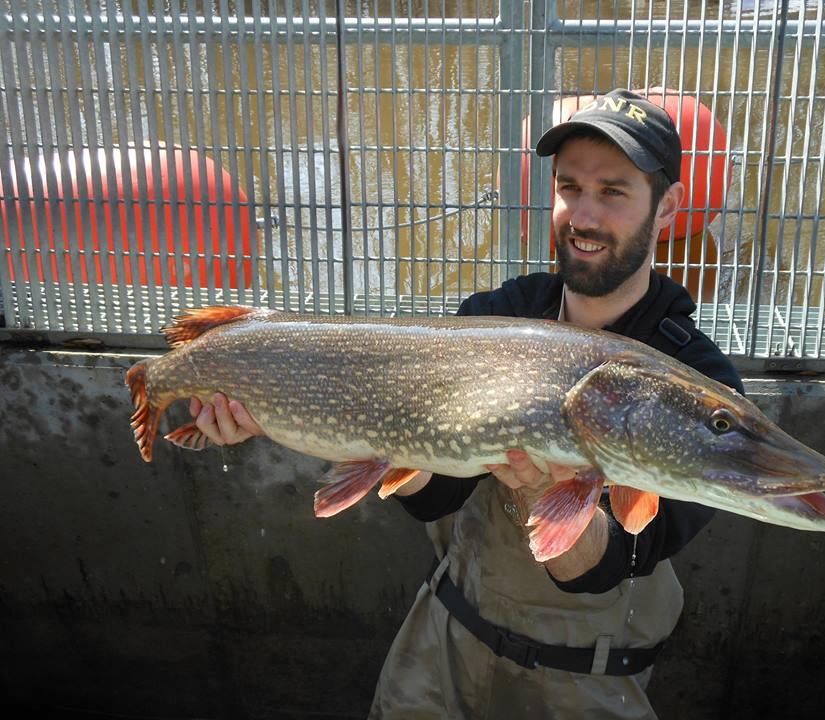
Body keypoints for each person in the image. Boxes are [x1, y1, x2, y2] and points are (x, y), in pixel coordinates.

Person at [191, 88, 743, 719]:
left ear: (666, 206)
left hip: (581, 680)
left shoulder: (697, 383)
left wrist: (546, 496)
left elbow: (621, 560)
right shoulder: (495, 316)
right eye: (569, 188)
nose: (583, 215)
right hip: (443, 648)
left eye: (613, 192)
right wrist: (354, 429)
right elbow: (437, 496)